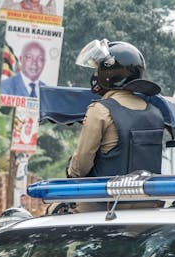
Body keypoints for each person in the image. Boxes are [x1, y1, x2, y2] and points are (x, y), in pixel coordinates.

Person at [67, 39, 165, 179]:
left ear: (108, 74)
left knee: (56, 201)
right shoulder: (156, 113)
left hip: (106, 198)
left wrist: (70, 171)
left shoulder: (100, 111)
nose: (95, 74)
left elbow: (81, 167)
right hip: (148, 198)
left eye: (97, 69)